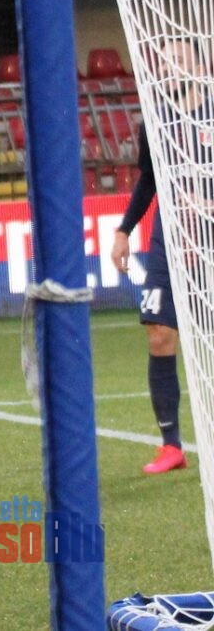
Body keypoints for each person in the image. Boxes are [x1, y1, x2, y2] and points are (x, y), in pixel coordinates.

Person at [111, 39, 211, 474]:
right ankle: (171, 446)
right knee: (158, 333)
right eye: (164, 60)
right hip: (169, 240)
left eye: (179, 58)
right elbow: (149, 181)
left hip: (209, 237)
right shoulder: (155, 120)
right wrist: (124, 230)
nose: (169, 66)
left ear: (200, 66)